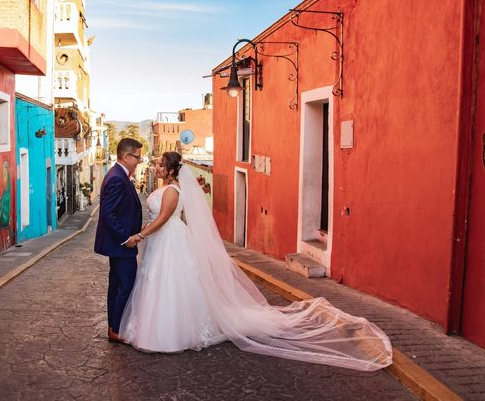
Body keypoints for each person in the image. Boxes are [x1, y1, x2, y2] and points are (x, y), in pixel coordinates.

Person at [118, 151, 393, 371]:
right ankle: (156, 327)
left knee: (171, 283)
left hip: (170, 241)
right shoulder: (168, 188)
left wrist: (141, 235)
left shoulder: (172, 191)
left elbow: (165, 218)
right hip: (164, 241)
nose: (155, 167)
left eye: (159, 164)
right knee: (162, 283)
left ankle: (170, 332)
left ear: (170, 169)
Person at [94, 138, 143, 343]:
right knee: (126, 285)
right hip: (121, 245)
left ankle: (114, 327)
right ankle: (116, 329)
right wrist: (126, 238)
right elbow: (108, 213)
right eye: (137, 157)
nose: (139, 161)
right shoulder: (116, 177)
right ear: (126, 156)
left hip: (119, 246)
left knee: (116, 285)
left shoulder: (120, 175)